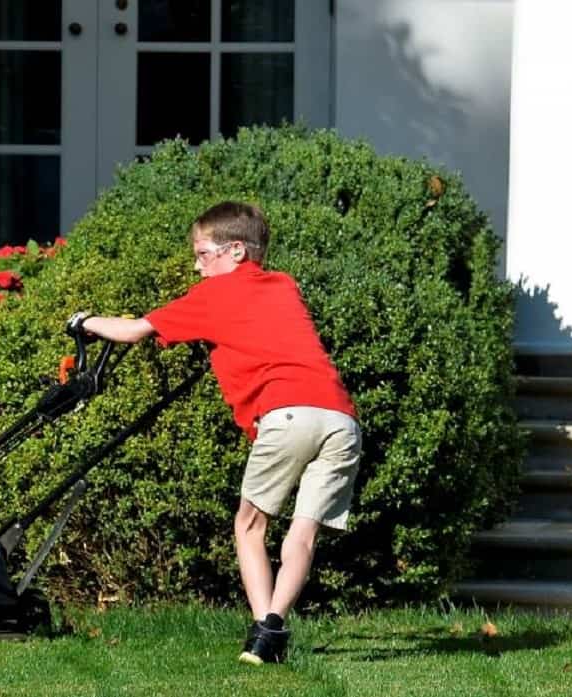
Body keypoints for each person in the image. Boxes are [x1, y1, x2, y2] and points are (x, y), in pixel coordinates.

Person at [69, 201, 361, 665]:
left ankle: (263, 630)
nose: (197, 265)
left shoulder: (216, 293)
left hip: (287, 412)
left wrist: (82, 322)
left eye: (203, 254)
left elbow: (134, 331)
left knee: (249, 525)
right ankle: (273, 628)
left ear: (236, 251)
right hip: (341, 420)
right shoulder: (284, 285)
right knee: (303, 533)